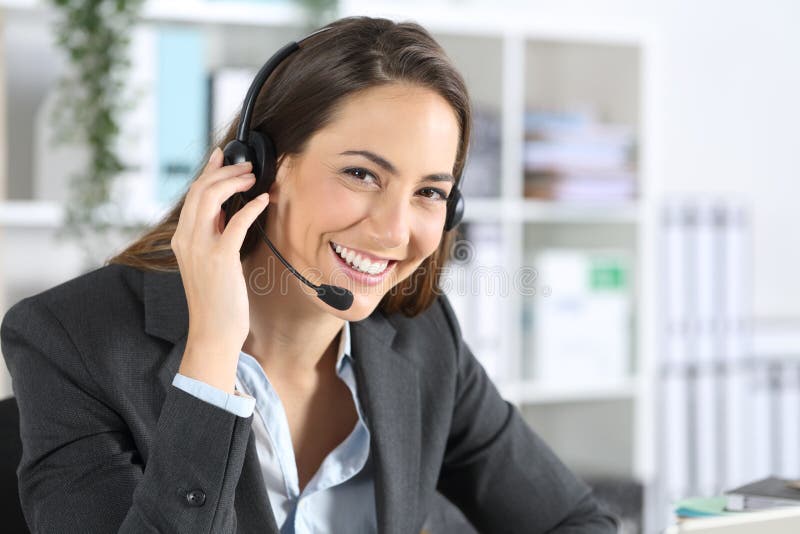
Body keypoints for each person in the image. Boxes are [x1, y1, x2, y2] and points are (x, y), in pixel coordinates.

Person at [1, 15, 618, 534]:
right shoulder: (69, 339)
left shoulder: (424, 339)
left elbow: (575, 522)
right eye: (361, 174)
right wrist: (211, 357)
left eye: (429, 192)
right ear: (258, 168)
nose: (395, 231)